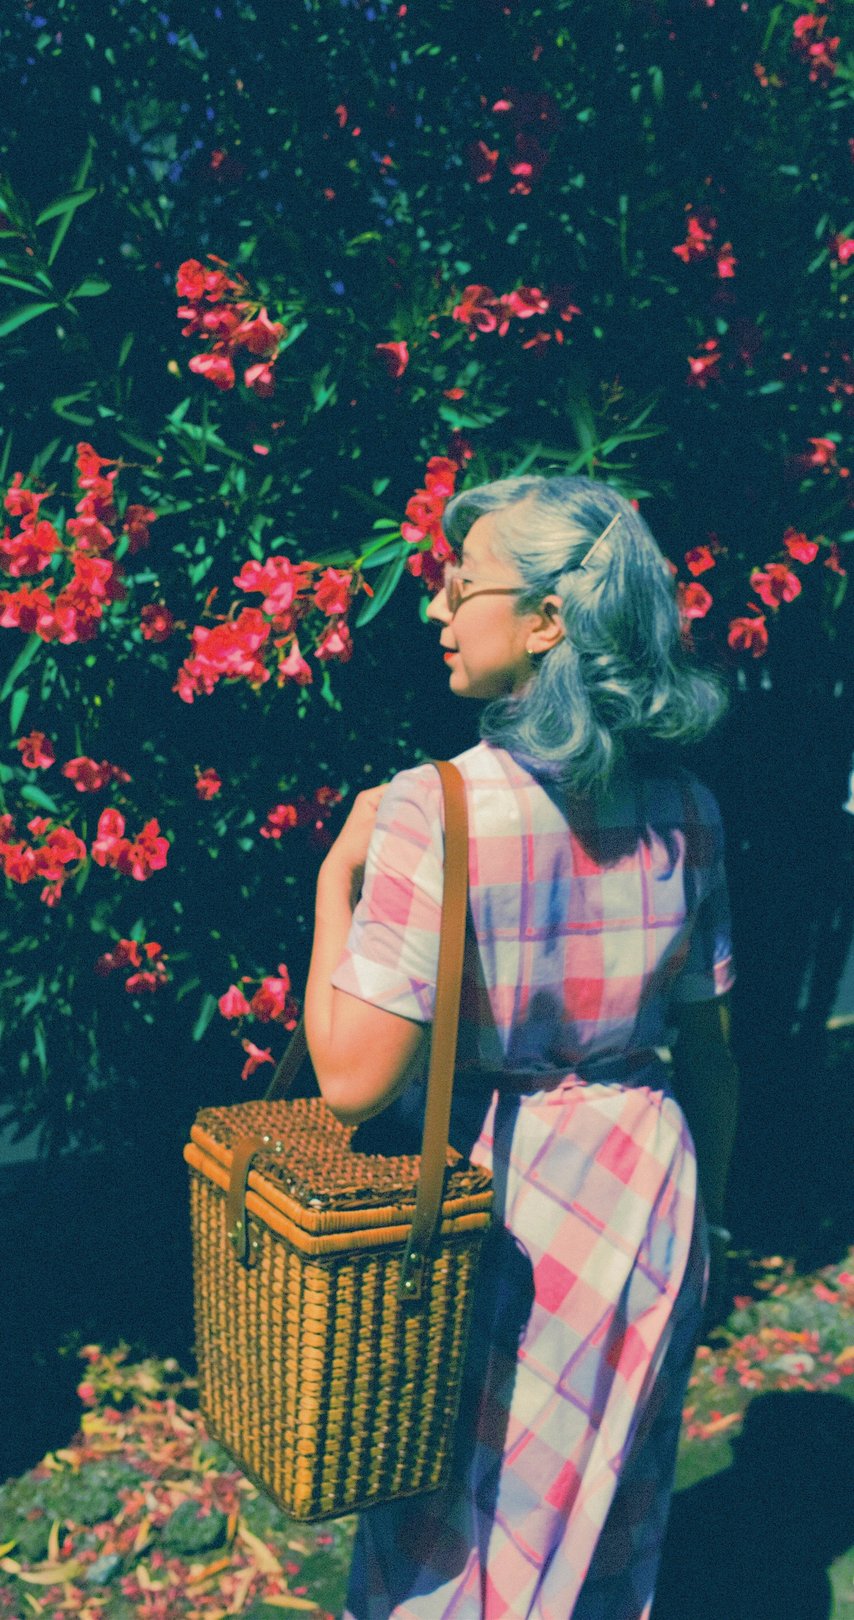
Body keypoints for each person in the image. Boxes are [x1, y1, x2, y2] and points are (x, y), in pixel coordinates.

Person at [303, 474, 741, 1620]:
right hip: (653, 1185)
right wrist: (709, 1219)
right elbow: (713, 1057)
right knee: (607, 1508)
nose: (435, 609)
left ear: (545, 619)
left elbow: (351, 1079)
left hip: (510, 1206)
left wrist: (330, 883)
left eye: (457, 584)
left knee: (458, 1522)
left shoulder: (432, 809)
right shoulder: (686, 808)